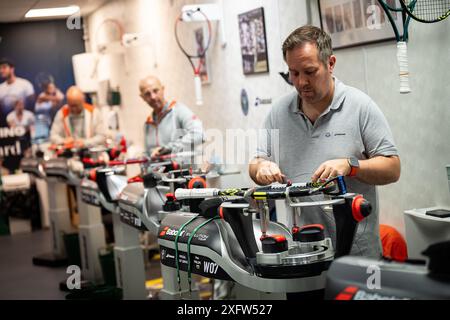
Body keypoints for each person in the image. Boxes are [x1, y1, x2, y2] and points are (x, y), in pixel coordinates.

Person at [249, 25, 401, 258]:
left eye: (309, 72)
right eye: (294, 73)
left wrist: (351, 166)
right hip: (301, 255)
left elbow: (392, 168)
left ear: (330, 63)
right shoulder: (278, 113)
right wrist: (261, 168)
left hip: (357, 257)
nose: (301, 82)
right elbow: (256, 163)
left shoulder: (361, 106)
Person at [139, 75, 203, 158]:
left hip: (182, 170)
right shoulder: (148, 124)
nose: (153, 97)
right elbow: (148, 153)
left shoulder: (179, 111)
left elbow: (199, 135)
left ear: (163, 89)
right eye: (147, 94)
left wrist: (167, 148)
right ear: (142, 97)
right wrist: (143, 157)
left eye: (155, 91)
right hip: (155, 170)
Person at [0, 58, 35, 122]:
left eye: (4, 67)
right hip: (5, 122)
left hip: (24, 122)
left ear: (12, 69)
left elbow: (32, 105)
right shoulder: (1, 88)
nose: (1, 71)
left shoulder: (25, 84)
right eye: (0, 68)